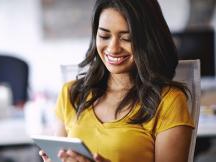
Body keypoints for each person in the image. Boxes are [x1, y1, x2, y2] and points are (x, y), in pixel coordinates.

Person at [40, 0, 195, 161]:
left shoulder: (169, 101)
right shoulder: (72, 93)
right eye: (104, 36)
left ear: (149, 40)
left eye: (126, 38)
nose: (113, 48)